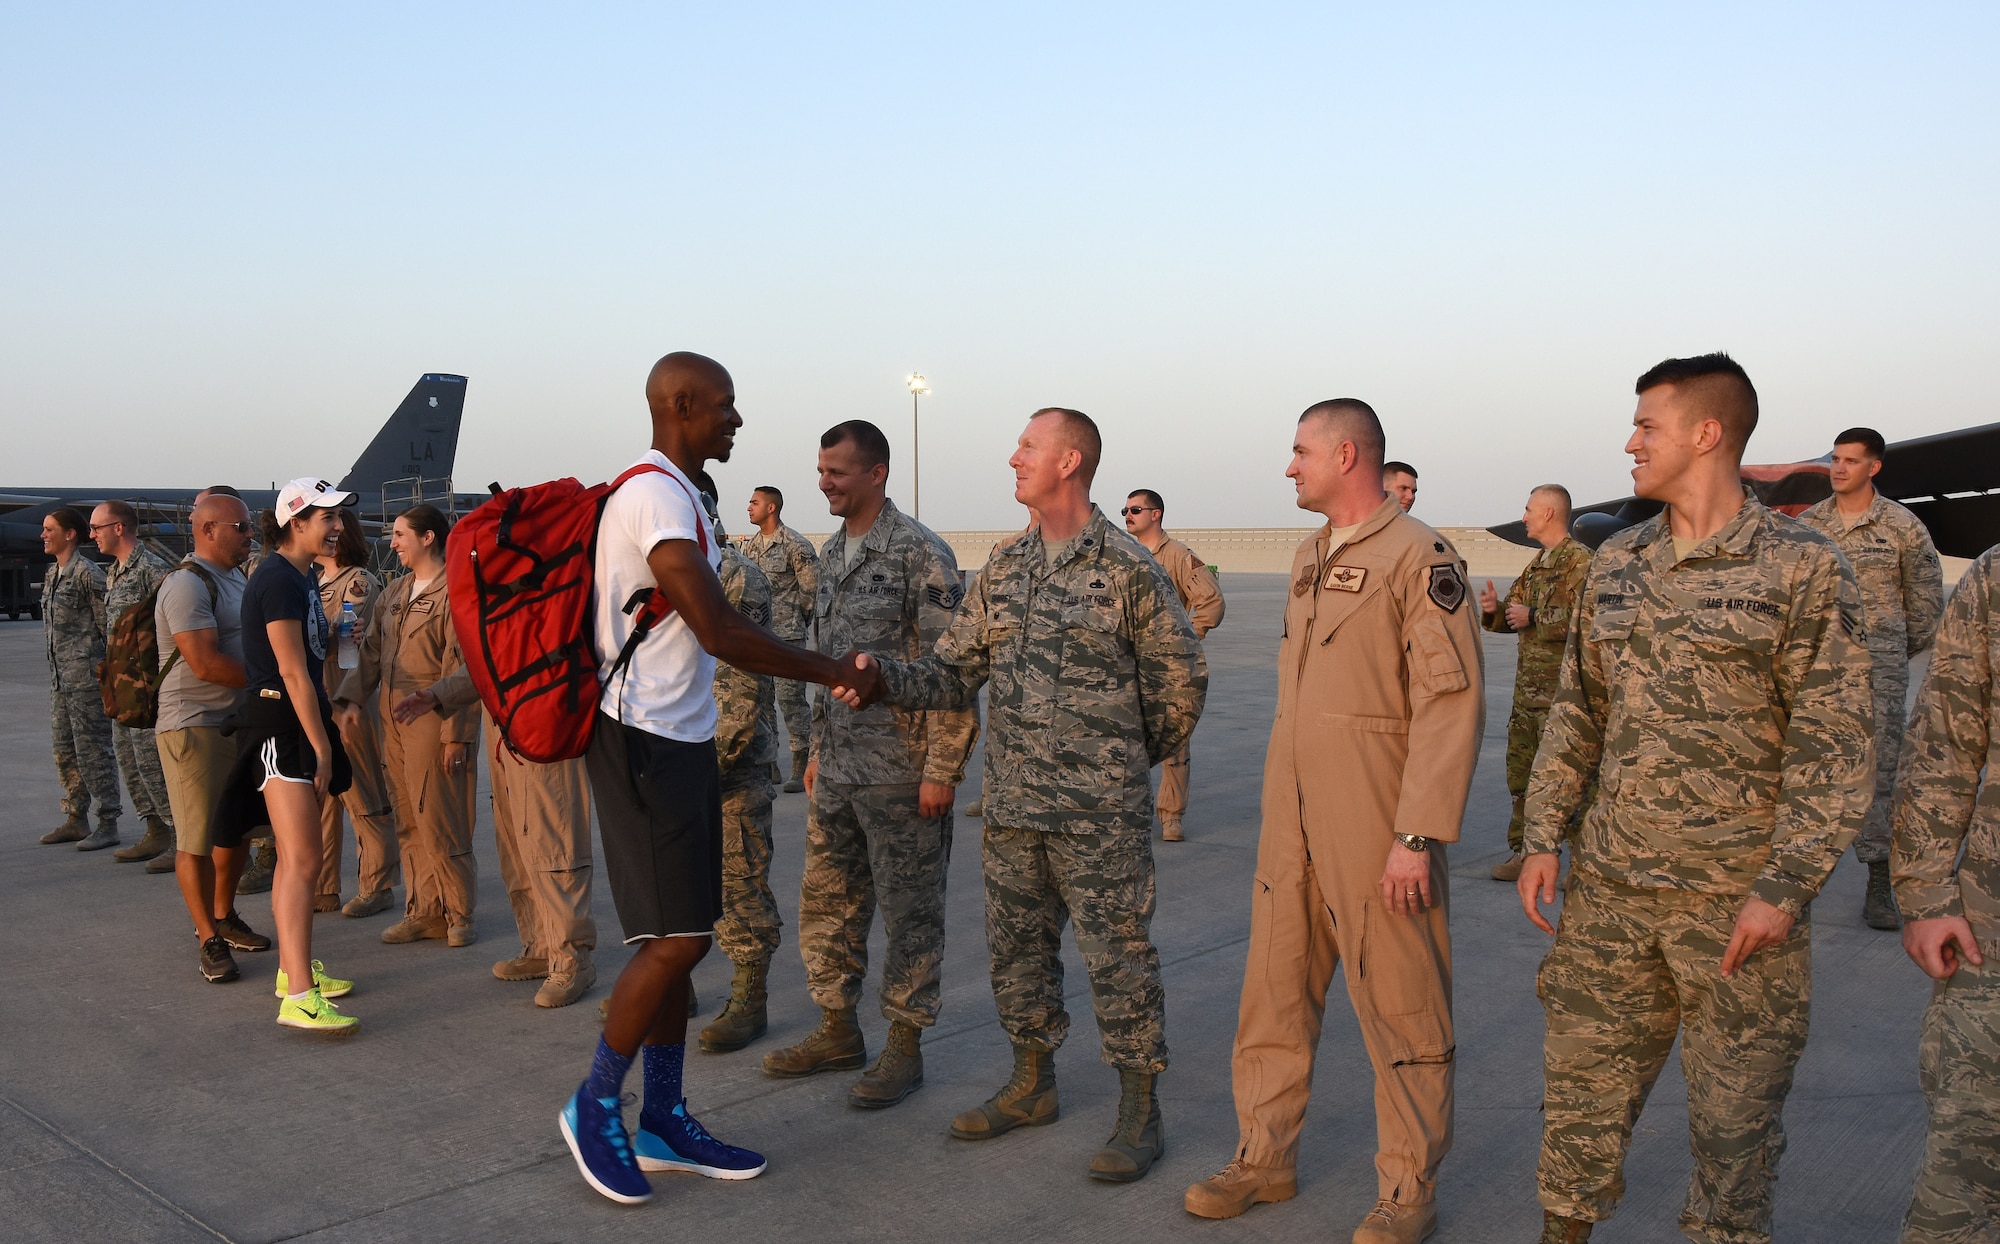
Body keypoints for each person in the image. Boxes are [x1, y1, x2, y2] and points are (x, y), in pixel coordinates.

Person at [1516, 354, 1875, 1244]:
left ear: (1706, 434)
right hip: (1611, 896)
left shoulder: (1802, 568)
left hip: (1735, 911)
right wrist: (1541, 834)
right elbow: (1578, 708)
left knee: (1734, 1130)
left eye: (1647, 425)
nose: (1630, 442)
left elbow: (1834, 744)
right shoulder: (1619, 562)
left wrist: (1784, 888)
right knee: (1579, 1109)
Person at [555, 350, 879, 1206]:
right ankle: (595, 1105)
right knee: (678, 942)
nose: (736, 421)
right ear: (683, 404)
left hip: (682, 736)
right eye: (726, 407)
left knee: (678, 934)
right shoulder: (654, 493)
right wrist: (831, 669)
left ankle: (662, 1116)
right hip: (643, 739)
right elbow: (718, 628)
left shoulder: (685, 494)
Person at [865, 407, 1206, 1182]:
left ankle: (1138, 1111)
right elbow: (954, 671)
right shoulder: (1006, 569)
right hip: (1015, 809)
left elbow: (1180, 685)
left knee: (1118, 960)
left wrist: (1116, 762)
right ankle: (1031, 1085)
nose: (1011, 456)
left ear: (1070, 460)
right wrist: (882, 677)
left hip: (1099, 818)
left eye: (1027, 446)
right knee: (1018, 957)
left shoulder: (1127, 570)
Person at [1183, 401, 1483, 1244]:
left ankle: (1408, 1188)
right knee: (1273, 996)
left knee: (1403, 1005)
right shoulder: (1311, 556)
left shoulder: (1421, 557)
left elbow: (1449, 704)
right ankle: (1263, 1156)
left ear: (1345, 454)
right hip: (1295, 820)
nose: (1289, 467)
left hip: (1379, 823)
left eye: (1300, 452)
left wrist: (1416, 836)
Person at [760, 420, 977, 1109]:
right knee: (828, 905)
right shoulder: (828, 555)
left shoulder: (921, 553)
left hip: (903, 771)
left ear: (876, 473)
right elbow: (830, 664)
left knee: (911, 915)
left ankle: (905, 1047)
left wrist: (943, 768)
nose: (823, 483)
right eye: (820, 470)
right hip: (843, 769)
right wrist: (819, 750)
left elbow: (957, 670)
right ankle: (836, 1030)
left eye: (837, 472)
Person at [215, 479, 361, 1032]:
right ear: (297, 522)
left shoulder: (297, 578)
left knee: (299, 858)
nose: (338, 527)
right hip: (280, 728)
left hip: (294, 723)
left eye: (339, 518)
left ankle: (292, 972)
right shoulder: (278, 580)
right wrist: (323, 748)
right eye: (328, 518)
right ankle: (298, 997)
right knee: (303, 859)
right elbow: (292, 671)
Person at [1890, 541, 2000, 1243]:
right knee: (1966, 1167)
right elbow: (1945, 739)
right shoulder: (1996, 576)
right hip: (1995, 930)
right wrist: (1927, 893)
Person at [1799, 427, 1945, 930]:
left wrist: (1887, 654)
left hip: (1879, 674)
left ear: (1874, 467)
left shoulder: (1902, 527)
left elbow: (1926, 607)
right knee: (1810, 771)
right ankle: (1795, 883)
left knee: (1880, 777)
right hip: (1816, 671)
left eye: (1851, 461)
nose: (1839, 469)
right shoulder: (1810, 526)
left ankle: (1881, 883)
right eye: (1835, 460)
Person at [395, 663, 601, 1010]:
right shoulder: (503, 607)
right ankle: (539, 947)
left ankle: (572, 961)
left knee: (556, 847)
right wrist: (438, 694)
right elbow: (488, 658)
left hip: (548, 718)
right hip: (505, 725)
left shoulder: (547, 607)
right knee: (514, 847)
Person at [334, 505, 481, 948]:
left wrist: (455, 735)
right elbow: (373, 653)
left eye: (400, 534)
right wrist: (351, 699)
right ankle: (423, 910)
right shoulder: (396, 591)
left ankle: (458, 914)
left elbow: (463, 665)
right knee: (407, 815)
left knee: (440, 816)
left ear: (428, 538)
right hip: (394, 714)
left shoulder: (456, 591)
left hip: (433, 713)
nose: (393, 542)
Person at [155, 490, 267, 981]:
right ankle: (208, 937)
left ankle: (224, 913)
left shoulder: (235, 577)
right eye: (240, 528)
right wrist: (270, 680)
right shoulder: (186, 584)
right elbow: (203, 662)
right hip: (194, 723)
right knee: (197, 838)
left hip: (235, 721)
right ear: (207, 530)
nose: (250, 536)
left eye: (248, 527)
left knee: (236, 828)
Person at [696, 492, 782, 1049]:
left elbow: (741, 686)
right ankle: (671, 985)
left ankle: (749, 997)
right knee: (673, 884)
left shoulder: (736, 577)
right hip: (678, 759)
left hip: (729, 762)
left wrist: (703, 769)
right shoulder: (667, 575)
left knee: (739, 881)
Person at [1477, 485, 1591, 882]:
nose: (1523, 516)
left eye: (1528, 509)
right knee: (1522, 778)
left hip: (1564, 700)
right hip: (1528, 696)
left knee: (1571, 783)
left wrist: (1536, 616)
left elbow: (1589, 620)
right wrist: (1495, 612)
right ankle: (1523, 854)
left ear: (1548, 512)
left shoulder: (1580, 562)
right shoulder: (1538, 563)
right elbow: (1517, 615)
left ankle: (1583, 867)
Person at [1122, 488, 1224, 842]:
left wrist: (1185, 639)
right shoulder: (1123, 554)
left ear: (1156, 514)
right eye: (1125, 509)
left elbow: (1210, 601)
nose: (1128, 515)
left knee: (1174, 744)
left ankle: (1171, 815)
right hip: (1126, 663)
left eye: (1136, 509)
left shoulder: (1179, 556)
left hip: (1166, 668)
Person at [316, 507, 401, 916]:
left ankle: (377, 883)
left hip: (348, 695)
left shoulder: (359, 583)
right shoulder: (315, 582)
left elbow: (350, 646)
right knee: (323, 798)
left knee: (362, 791)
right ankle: (323, 886)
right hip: (318, 696)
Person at [90, 499, 179, 864]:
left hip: (147, 686)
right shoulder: (114, 571)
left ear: (119, 528)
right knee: (130, 760)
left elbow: (174, 626)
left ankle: (179, 837)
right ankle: (154, 829)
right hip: (122, 686)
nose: (92, 534)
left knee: (152, 761)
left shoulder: (152, 570)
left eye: (97, 527)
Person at [38, 506, 122, 851]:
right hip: (61, 681)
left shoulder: (87, 574)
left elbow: (109, 626)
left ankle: (107, 821)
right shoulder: (52, 574)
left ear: (70, 534)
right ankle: (76, 817)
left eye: (49, 529)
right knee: (65, 752)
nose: (43, 535)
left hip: (87, 680)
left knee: (93, 752)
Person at [741, 484, 822, 792]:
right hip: (758, 636)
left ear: (771, 508)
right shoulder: (750, 546)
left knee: (791, 702)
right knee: (761, 701)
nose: (749, 507)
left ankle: (801, 757)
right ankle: (770, 760)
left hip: (787, 638)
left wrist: (795, 620)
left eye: (754, 502)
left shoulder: (794, 545)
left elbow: (811, 588)